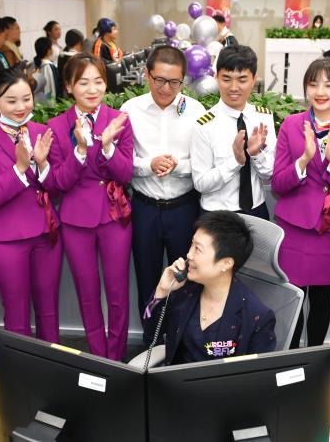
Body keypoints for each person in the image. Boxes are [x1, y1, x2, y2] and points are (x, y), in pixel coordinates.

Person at [272, 58, 330, 348]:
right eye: (313, 84)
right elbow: (278, 184)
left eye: (329, 85)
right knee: (294, 299)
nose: (320, 92)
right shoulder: (291, 125)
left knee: (321, 300)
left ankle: (314, 361)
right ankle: (290, 360)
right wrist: (303, 160)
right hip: (294, 228)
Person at [47, 53, 134, 361]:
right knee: (87, 293)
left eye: (98, 81)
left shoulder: (119, 120)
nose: (93, 89)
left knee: (118, 292)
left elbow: (126, 174)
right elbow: (57, 182)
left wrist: (108, 146)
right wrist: (81, 151)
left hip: (114, 216)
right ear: (69, 86)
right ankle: (98, 357)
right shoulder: (56, 126)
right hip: (75, 220)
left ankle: (116, 358)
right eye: (83, 83)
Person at [0, 66, 63, 344]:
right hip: (6, 238)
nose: (21, 107)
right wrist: (19, 169)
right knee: (16, 313)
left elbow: (57, 187)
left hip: (46, 233)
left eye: (26, 98)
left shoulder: (41, 131)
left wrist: (43, 164)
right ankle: (19, 367)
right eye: (11, 101)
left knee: (49, 308)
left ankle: (52, 361)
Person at [121, 46, 206, 323]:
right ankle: (150, 341)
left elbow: (204, 164)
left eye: (174, 82)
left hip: (184, 209)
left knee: (186, 279)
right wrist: (149, 165)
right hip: (144, 209)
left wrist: (178, 166)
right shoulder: (130, 110)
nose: (166, 88)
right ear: (147, 75)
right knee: (147, 279)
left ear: (183, 80)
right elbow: (122, 162)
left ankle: (180, 342)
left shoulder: (196, 111)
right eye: (159, 80)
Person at [142, 210, 276, 365]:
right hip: (176, 378)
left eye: (198, 249)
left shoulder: (256, 316)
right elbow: (151, 334)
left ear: (226, 263)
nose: (189, 255)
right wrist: (162, 291)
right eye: (192, 244)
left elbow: (258, 373)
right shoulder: (185, 291)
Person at [191, 45, 276, 220]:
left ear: (254, 79)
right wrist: (236, 161)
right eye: (226, 79)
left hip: (257, 210)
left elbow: (269, 175)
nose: (234, 87)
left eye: (242, 79)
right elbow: (201, 184)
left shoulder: (263, 118)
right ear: (216, 78)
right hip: (217, 215)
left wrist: (256, 154)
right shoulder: (204, 125)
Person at [32, 37, 60, 103]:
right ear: (49, 50)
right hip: (48, 104)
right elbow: (50, 89)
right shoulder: (47, 66)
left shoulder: (37, 64)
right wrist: (52, 104)